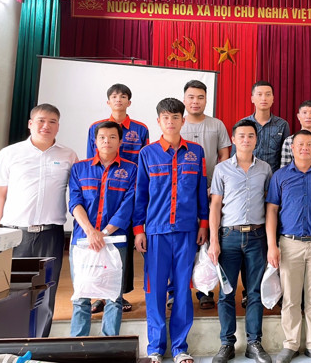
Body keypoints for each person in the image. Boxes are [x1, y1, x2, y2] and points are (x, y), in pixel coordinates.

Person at [0, 103, 79, 337]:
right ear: (30, 124)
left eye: (52, 122)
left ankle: (39, 342)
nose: (46, 126)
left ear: (58, 126)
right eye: (41, 121)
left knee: (46, 293)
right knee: (10, 292)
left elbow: (78, 195)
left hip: (51, 234)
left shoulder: (68, 156)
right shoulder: (10, 153)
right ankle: (7, 342)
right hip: (15, 234)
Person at [133, 98, 209, 363]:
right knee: (154, 291)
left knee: (183, 290)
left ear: (182, 120)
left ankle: (180, 348)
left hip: (187, 231)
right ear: (158, 121)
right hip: (156, 232)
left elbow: (201, 191)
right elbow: (140, 195)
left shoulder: (196, 152)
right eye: (165, 117)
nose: (171, 121)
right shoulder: (147, 153)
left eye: (175, 117)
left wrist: (203, 224)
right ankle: (155, 347)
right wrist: (139, 230)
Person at [266, 130, 311, 363]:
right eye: (300, 144)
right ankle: (290, 344)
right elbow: (271, 210)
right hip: (289, 244)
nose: (305, 148)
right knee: (290, 298)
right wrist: (272, 245)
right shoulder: (279, 176)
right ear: (292, 148)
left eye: (309, 144)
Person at [207, 119, 272, 363]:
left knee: (255, 292)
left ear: (256, 140)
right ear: (233, 139)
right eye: (241, 136)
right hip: (229, 237)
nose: (246, 140)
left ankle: (254, 343)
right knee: (226, 293)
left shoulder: (265, 169)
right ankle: (227, 343)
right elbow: (215, 205)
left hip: (257, 236)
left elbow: (270, 205)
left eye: (251, 136)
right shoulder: (222, 169)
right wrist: (214, 240)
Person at [68, 121, 136, 337]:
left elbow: (127, 206)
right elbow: (75, 203)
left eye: (112, 137)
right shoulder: (79, 169)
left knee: (113, 296)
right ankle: (77, 344)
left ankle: (110, 344)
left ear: (120, 141)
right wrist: (91, 232)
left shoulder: (131, 170)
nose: (107, 141)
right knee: (81, 295)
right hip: (83, 241)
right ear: (95, 141)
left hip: (115, 242)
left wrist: (104, 233)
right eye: (102, 137)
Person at [87, 83, 149, 314]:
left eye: (123, 96)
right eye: (114, 96)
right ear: (108, 101)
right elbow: (91, 160)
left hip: (129, 190)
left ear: (129, 102)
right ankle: (98, 295)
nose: (119, 100)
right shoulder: (96, 127)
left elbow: (143, 162)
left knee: (122, 246)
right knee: (98, 246)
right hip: (103, 192)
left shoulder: (140, 129)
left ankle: (118, 294)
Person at [180, 79, 232, 310]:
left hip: (211, 192)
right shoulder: (178, 124)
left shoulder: (217, 125)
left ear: (206, 100)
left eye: (200, 97)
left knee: (208, 240)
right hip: (182, 194)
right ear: (184, 99)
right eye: (191, 97)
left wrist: (216, 187)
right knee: (183, 242)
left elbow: (224, 156)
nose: (196, 101)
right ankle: (177, 290)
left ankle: (205, 290)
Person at [235, 80, 290, 172]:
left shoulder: (282, 125)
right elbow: (235, 154)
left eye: (268, 94)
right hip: (248, 175)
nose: (264, 98)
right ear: (252, 99)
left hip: (273, 176)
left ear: (273, 98)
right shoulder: (243, 124)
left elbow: (286, 156)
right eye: (259, 94)